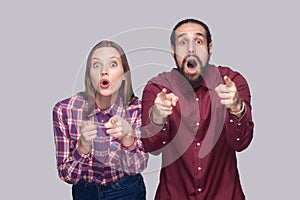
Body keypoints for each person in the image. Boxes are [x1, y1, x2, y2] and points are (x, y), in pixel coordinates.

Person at [141, 18, 254, 199]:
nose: (191, 49)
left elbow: (241, 143)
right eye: (183, 42)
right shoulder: (157, 88)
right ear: (173, 51)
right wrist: (156, 117)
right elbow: (151, 147)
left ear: (210, 48)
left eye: (198, 41)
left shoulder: (232, 82)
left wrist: (237, 107)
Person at [52, 40, 148, 200]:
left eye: (112, 64)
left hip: (127, 190)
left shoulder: (137, 109)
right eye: (96, 65)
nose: (104, 71)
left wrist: (128, 139)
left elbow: (138, 166)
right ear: (89, 75)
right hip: (85, 193)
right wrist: (82, 147)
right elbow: (67, 175)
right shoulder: (64, 110)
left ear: (124, 75)